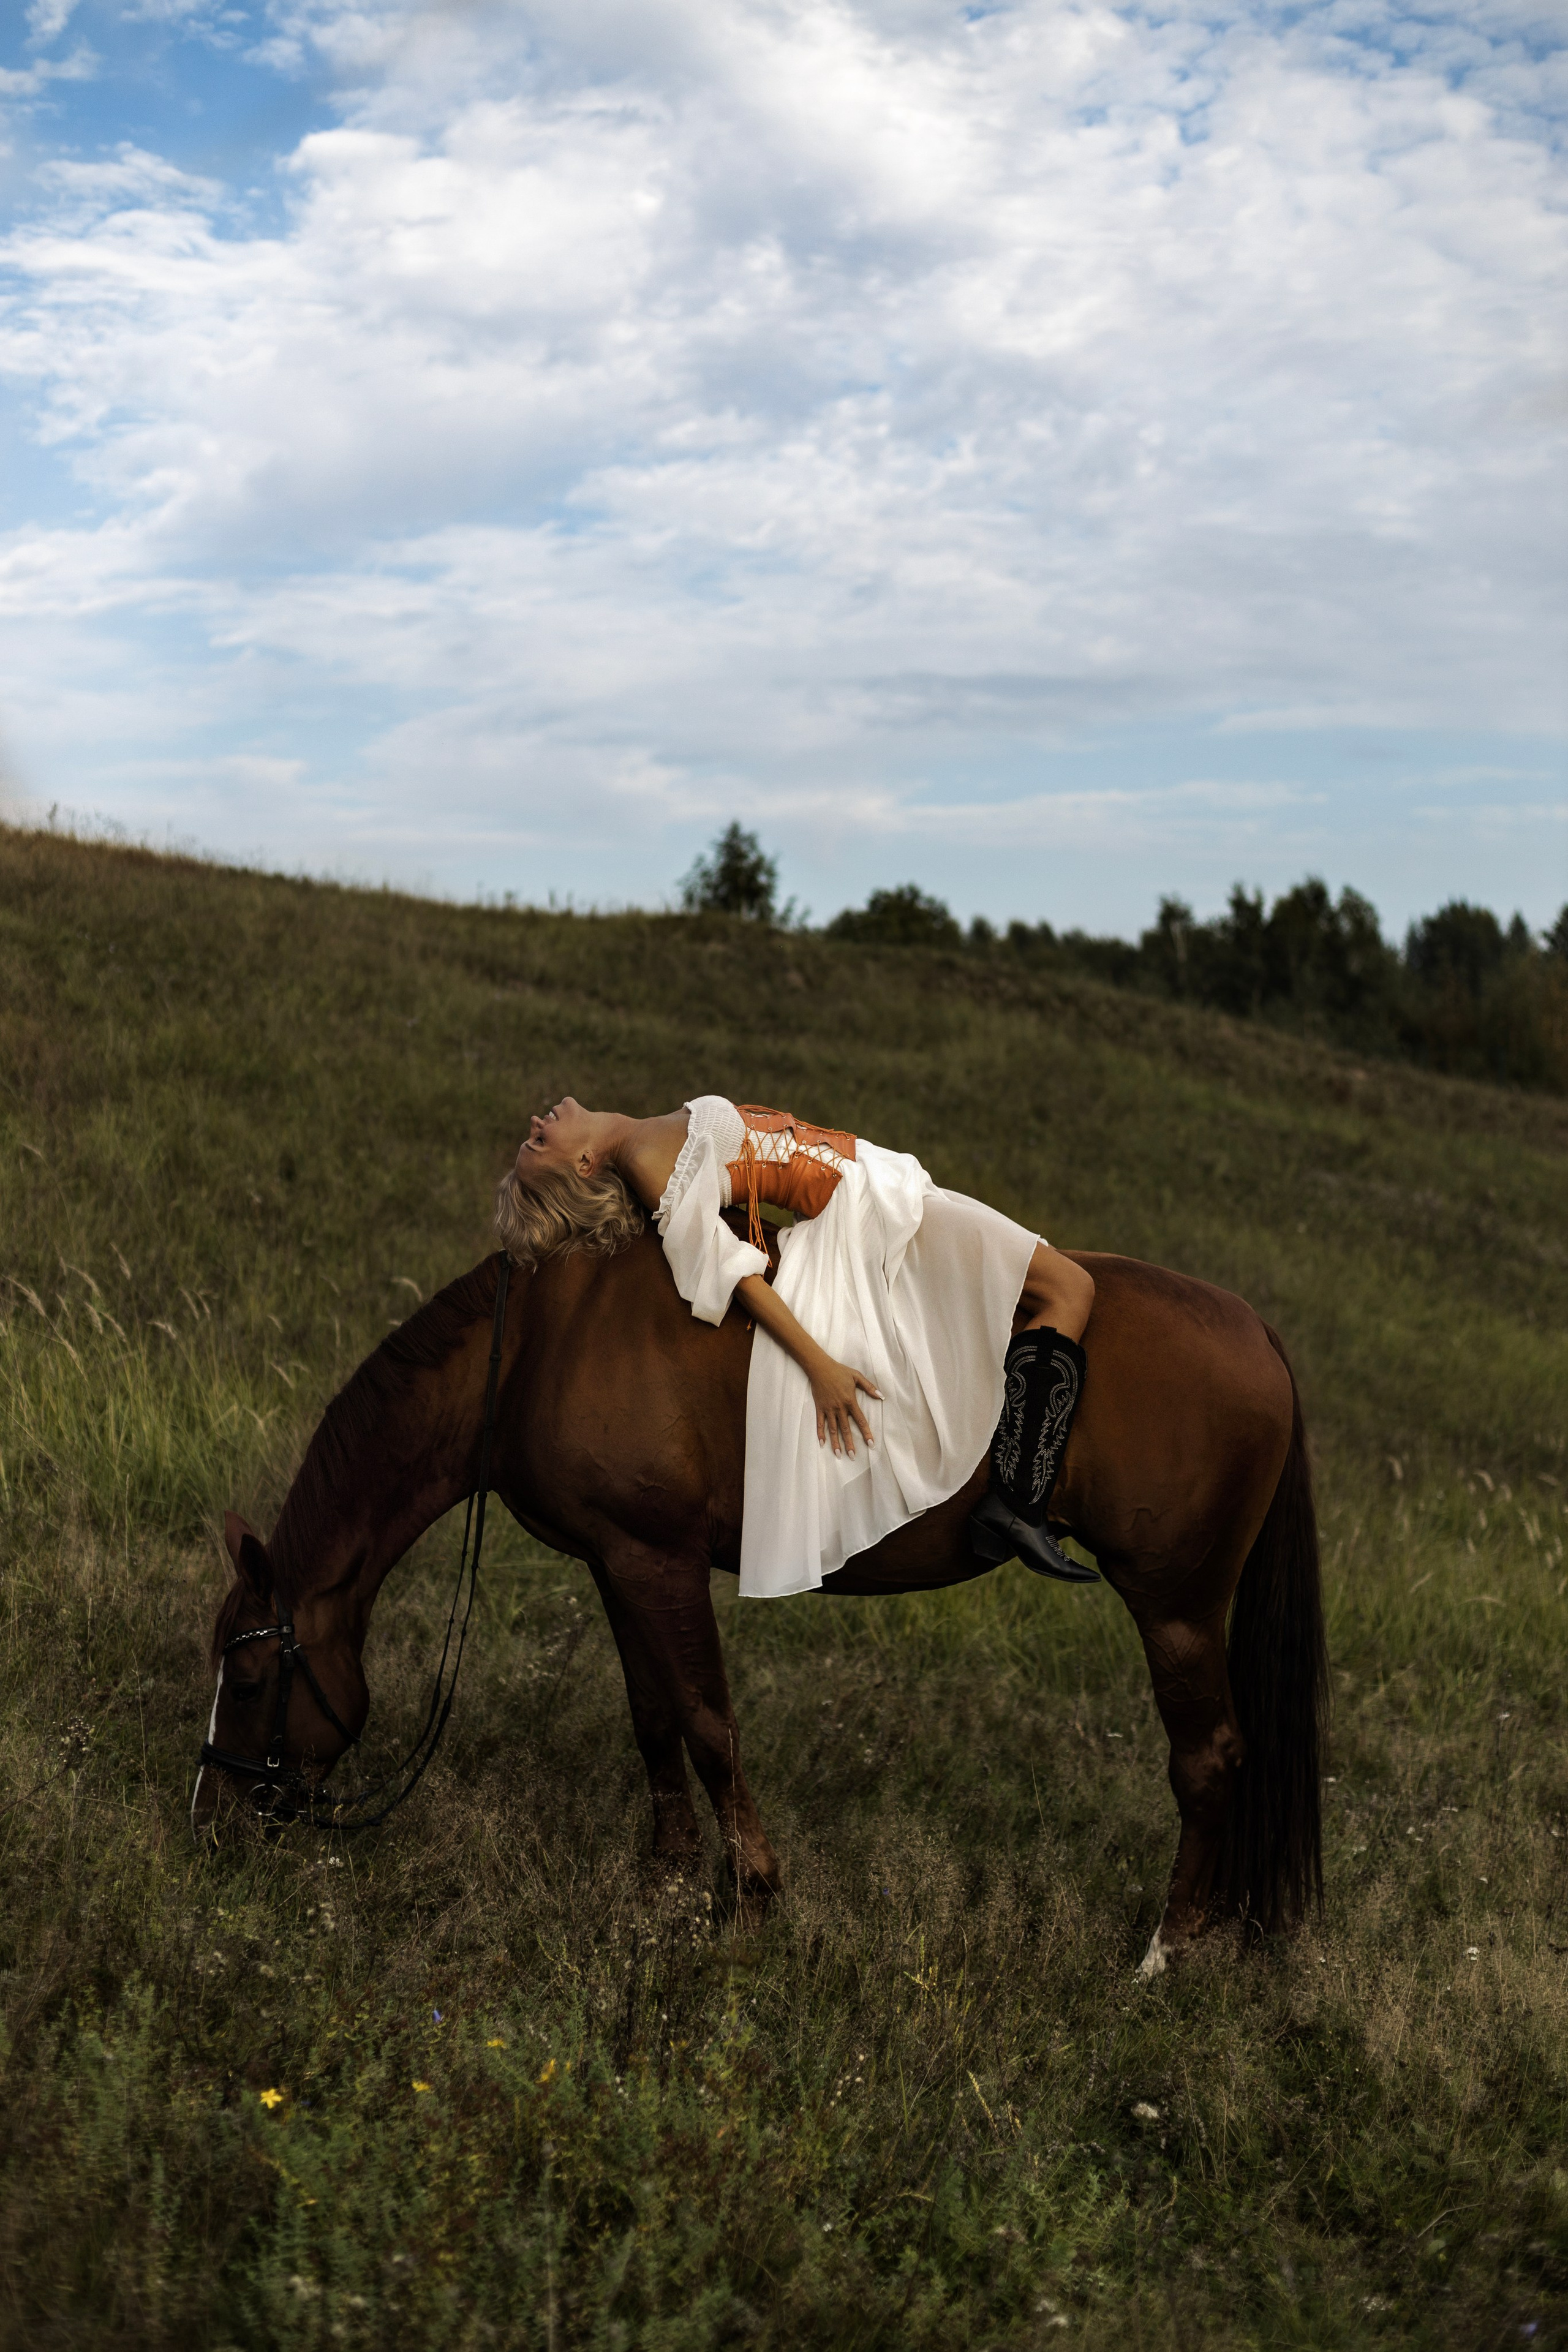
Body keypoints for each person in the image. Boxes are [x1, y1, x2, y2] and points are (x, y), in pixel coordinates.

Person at [495, 1095, 1096, 1599]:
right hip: (865, 1213)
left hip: (876, 1182)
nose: (535, 1126)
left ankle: (1016, 1502)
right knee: (1070, 1289)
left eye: (532, 1139)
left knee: (1054, 1287)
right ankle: (1019, 1502)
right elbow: (731, 1275)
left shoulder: (647, 1137)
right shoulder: (646, 1160)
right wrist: (820, 1367)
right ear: (582, 1163)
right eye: (537, 1146)